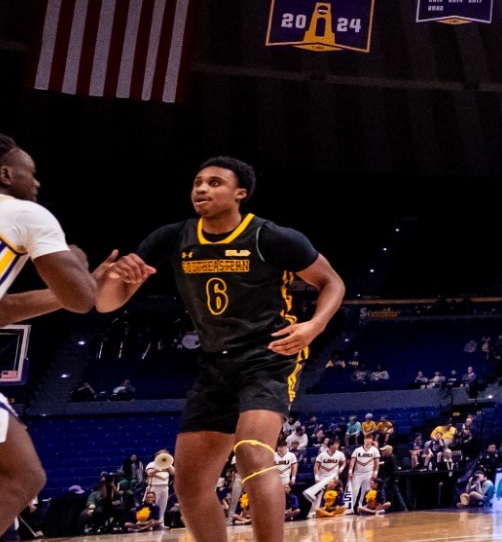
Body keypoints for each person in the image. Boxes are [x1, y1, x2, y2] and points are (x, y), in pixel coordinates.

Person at [96, 157, 344, 542]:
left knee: (252, 452)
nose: (201, 189)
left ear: (239, 193)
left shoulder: (270, 237)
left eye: (214, 183)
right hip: (214, 363)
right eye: (197, 182)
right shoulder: (173, 237)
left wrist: (314, 326)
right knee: (190, 484)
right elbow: (107, 304)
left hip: (269, 355)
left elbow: (332, 282)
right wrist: (114, 279)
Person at [0, 128, 106, 542]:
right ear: (5, 173)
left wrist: (82, 284)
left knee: (9, 476)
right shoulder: (23, 213)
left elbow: (0, 311)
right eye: (30, 172)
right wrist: (78, 263)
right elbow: (81, 299)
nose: (36, 182)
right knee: (18, 478)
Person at [304, 439, 345, 517]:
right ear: (330, 445)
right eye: (335, 444)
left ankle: (333, 509)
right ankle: (313, 511)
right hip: (323, 476)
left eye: (338, 444)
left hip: (334, 476)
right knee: (319, 494)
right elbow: (316, 466)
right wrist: (316, 476)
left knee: (337, 492)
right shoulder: (322, 455)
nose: (337, 446)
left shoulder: (340, 454)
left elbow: (344, 462)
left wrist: (342, 468)